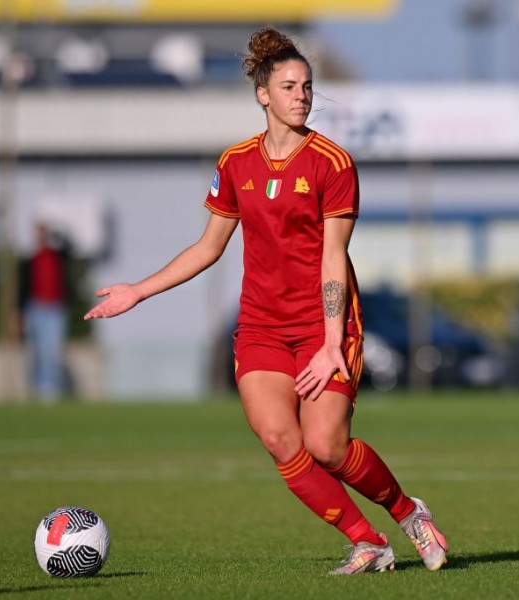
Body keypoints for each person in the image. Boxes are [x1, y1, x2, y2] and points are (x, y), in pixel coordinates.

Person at [84, 27, 448, 575]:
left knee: (326, 445)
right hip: (260, 328)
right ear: (263, 95)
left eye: (307, 86)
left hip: (324, 326)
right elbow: (208, 247)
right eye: (289, 85)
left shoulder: (332, 162)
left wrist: (330, 346)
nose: (302, 95)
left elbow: (333, 260)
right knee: (280, 438)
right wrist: (138, 290)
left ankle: (407, 511)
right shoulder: (235, 164)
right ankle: (365, 541)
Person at [19, 223, 72, 400]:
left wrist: (56, 232)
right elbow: (23, 286)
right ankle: (38, 389)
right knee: (37, 351)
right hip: (35, 308)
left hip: (55, 308)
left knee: (52, 350)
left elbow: (69, 246)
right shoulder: (31, 258)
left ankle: (51, 390)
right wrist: (18, 313)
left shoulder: (58, 255)